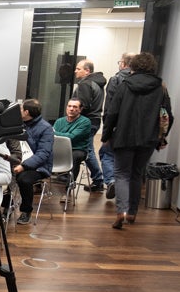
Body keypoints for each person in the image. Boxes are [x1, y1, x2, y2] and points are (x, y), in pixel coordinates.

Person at [102, 52, 174, 229]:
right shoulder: (161, 87)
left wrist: (106, 135)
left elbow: (112, 112)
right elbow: (167, 116)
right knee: (136, 174)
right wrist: (161, 136)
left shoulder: (125, 85)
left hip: (124, 136)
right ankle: (132, 212)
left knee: (121, 174)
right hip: (148, 138)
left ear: (132, 66)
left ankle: (121, 211)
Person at [13, 98, 54, 225]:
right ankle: (5, 206)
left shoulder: (46, 128)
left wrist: (24, 166)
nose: (18, 111)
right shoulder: (17, 124)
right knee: (5, 173)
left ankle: (26, 211)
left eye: (20, 108)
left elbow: (43, 153)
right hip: (19, 160)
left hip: (39, 167)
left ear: (26, 112)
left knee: (23, 179)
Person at [101, 52, 134, 200]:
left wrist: (106, 132)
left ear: (124, 63)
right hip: (139, 132)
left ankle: (112, 181)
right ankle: (129, 200)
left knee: (107, 154)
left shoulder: (116, 79)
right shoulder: (151, 82)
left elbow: (110, 108)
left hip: (117, 128)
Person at [73, 59, 106, 192]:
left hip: (87, 121)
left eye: (78, 69)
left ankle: (98, 180)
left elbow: (83, 105)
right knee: (87, 149)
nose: (75, 71)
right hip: (94, 120)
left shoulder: (85, 84)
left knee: (87, 151)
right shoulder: (95, 83)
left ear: (87, 71)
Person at [52, 98, 91, 183]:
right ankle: (38, 183)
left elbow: (71, 137)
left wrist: (54, 133)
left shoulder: (85, 122)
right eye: (69, 106)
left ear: (80, 109)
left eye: (75, 107)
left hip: (77, 149)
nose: (71, 109)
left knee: (75, 156)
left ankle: (70, 183)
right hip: (59, 149)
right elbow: (52, 137)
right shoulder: (60, 121)